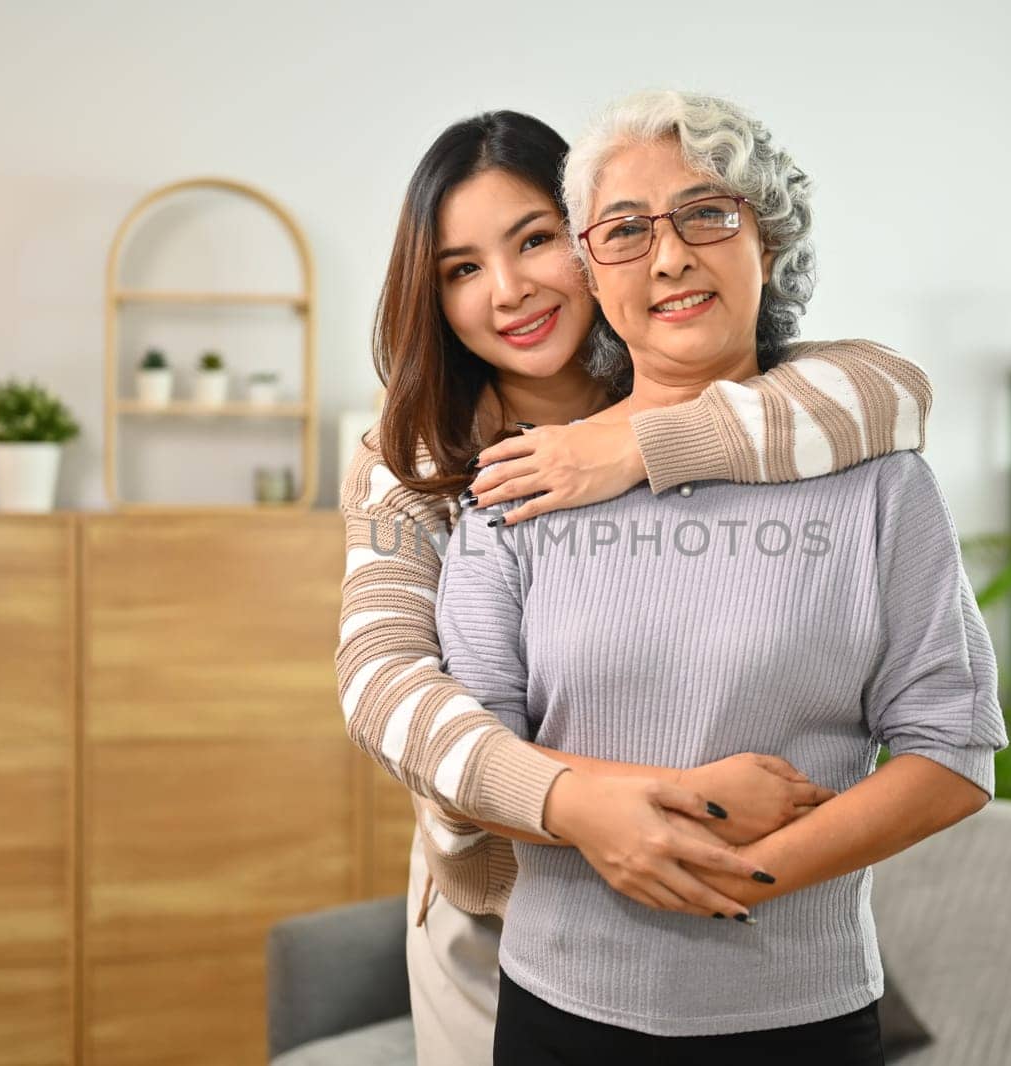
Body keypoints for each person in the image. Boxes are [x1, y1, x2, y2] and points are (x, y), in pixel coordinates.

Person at [337, 109, 937, 1065]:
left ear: (587, 242)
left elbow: (897, 389)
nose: (509, 290)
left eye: (534, 241)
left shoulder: (724, 392)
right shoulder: (412, 461)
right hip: (497, 892)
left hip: (729, 954)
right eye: (460, 269)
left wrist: (635, 443)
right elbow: (382, 685)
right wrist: (657, 803)